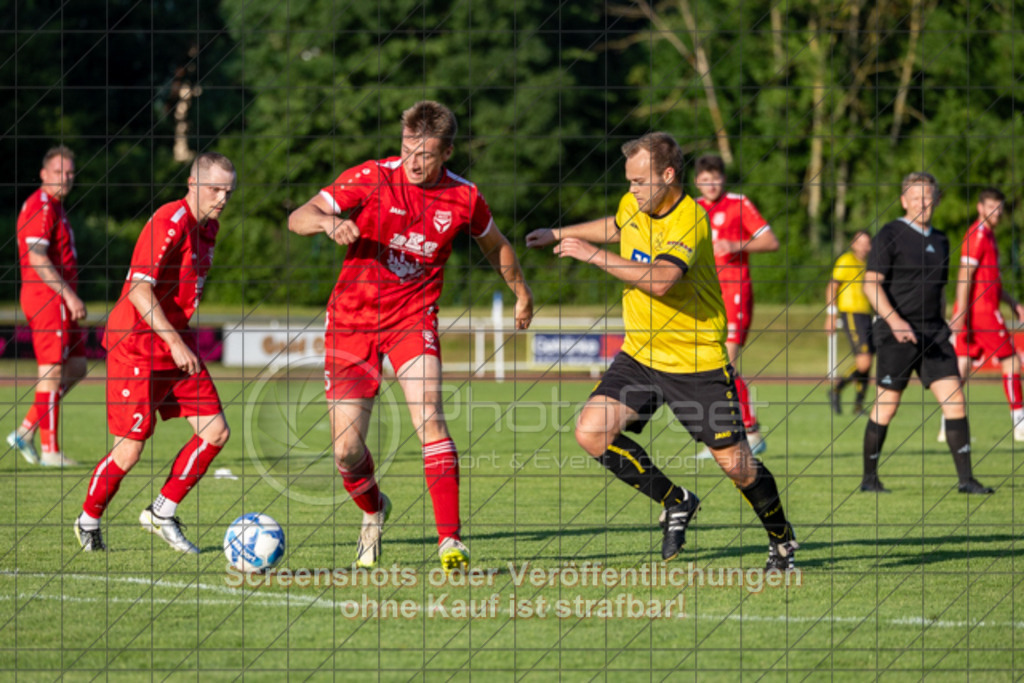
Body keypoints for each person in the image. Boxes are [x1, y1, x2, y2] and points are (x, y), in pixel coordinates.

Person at [525, 132, 798, 570]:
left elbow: (660, 280)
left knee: (738, 468)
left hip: (696, 362)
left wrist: (592, 256)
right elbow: (617, 225)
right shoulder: (637, 204)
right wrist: (558, 232)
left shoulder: (689, 218)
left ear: (668, 176)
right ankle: (676, 501)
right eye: (629, 181)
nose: (631, 190)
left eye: (638, 181)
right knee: (591, 432)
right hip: (642, 355)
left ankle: (782, 540)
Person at [288, 101, 533, 573]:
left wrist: (521, 293)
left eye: (425, 154)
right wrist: (328, 221)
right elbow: (299, 215)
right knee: (346, 449)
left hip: (411, 319)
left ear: (447, 153)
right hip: (350, 322)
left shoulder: (464, 197)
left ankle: (450, 541)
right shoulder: (372, 176)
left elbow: (497, 245)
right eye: (407, 150)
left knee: (431, 418)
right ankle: (374, 510)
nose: (413, 162)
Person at [73, 152, 237, 552]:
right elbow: (138, 289)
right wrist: (177, 341)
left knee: (215, 431)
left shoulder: (209, 228)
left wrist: (178, 340)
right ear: (193, 184)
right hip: (137, 345)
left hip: (173, 343)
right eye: (215, 189)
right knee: (128, 451)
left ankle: (162, 512)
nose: (222, 198)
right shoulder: (170, 220)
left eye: (228, 191)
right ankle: (87, 520)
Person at [860, 172, 993, 494]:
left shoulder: (942, 239)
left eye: (928, 198)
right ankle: (870, 479)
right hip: (896, 333)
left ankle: (966, 480)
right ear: (904, 200)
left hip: (933, 333)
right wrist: (895, 321)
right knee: (887, 406)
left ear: (935, 201)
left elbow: (939, 289)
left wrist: (950, 320)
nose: (923, 204)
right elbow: (870, 285)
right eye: (916, 198)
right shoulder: (890, 233)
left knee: (956, 403)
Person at [693, 154, 779, 456]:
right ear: (696, 182)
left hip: (734, 293)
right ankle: (722, 437)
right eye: (704, 180)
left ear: (723, 179)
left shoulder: (738, 204)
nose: (710, 185)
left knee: (723, 365)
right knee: (706, 366)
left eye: (714, 178)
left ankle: (750, 433)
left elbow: (771, 241)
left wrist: (735, 245)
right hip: (704, 298)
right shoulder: (692, 209)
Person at [8, 146, 86, 467]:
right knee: (51, 372)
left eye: (69, 173)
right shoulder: (41, 206)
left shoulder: (56, 208)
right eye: (58, 172)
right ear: (43, 174)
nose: (64, 178)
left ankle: (25, 431)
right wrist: (68, 295)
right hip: (47, 298)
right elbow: (38, 259)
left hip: (59, 300)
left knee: (77, 367)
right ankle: (51, 451)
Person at [937, 188, 1024, 442]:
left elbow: (992, 281)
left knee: (962, 368)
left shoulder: (990, 236)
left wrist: (1014, 304)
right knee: (1011, 362)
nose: (995, 213)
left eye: (999, 208)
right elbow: (965, 275)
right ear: (980, 207)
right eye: (990, 207)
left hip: (976, 310)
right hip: (981, 312)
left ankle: (947, 425)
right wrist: (961, 315)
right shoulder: (977, 235)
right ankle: (1020, 422)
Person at [825, 231, 874, 415]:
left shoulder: (867, 264)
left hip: (866, 315)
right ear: (853, 244)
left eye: (867, 243)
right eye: (860, 242)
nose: (863, 246)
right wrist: (831, 314)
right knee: (864, 361)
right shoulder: (846, 260)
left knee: (867, 362)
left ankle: (858, 405)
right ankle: (836, 389)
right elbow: (832, 286)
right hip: (851, 313)